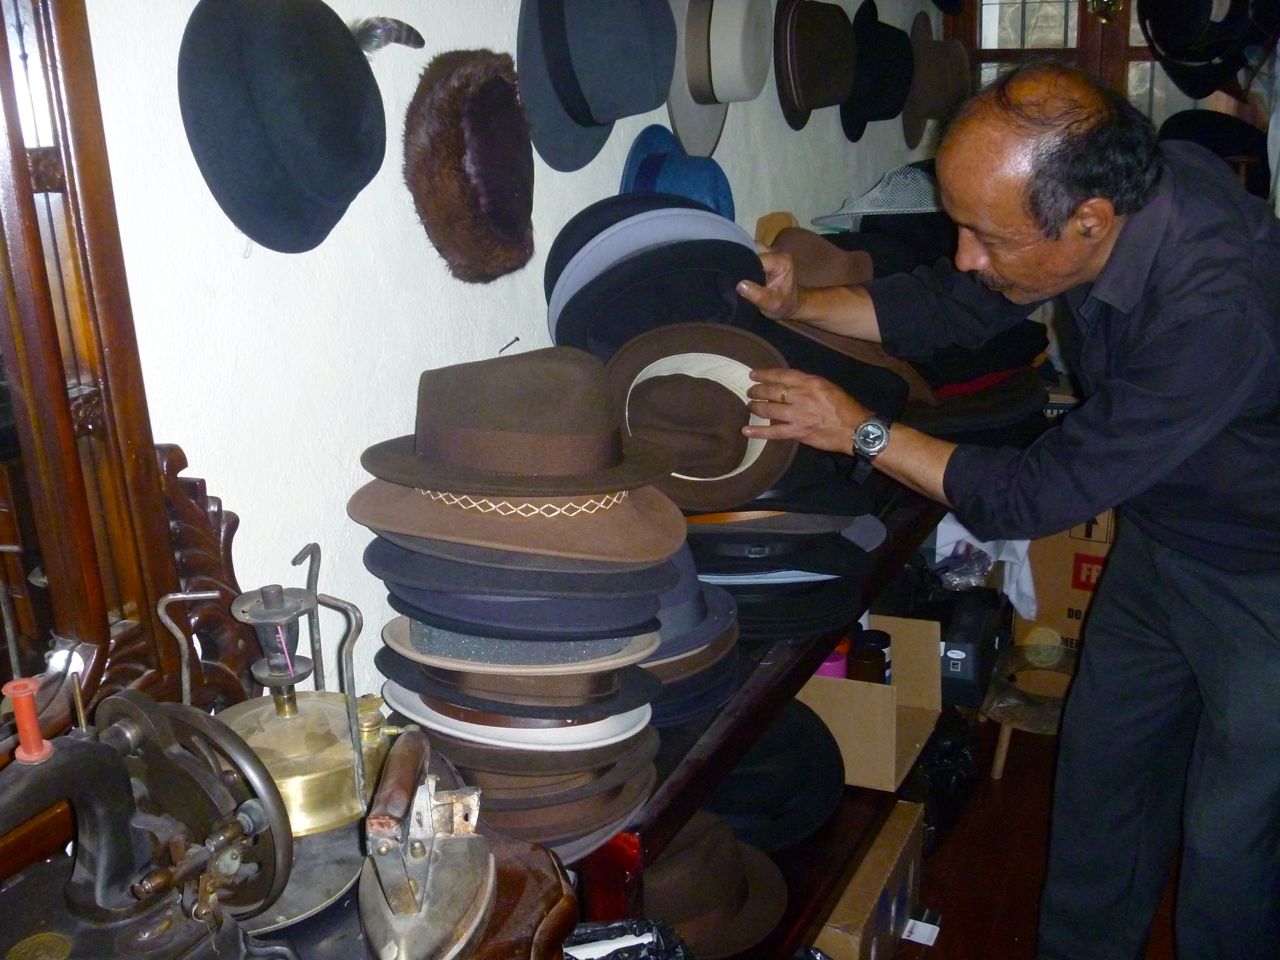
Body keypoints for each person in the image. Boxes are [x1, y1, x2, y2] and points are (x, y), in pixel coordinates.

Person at [737, 61, 1280, 960]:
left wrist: (861, 431)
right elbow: (956, 299)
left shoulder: (1219, 305)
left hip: (1265, 576)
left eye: (986, 236)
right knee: (1103, 787)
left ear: (1089, 220)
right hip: (1163, 538)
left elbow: (1033, 494)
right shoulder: (1126, 189)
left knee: (1234, 843)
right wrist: (806, 304)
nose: (966, 254)